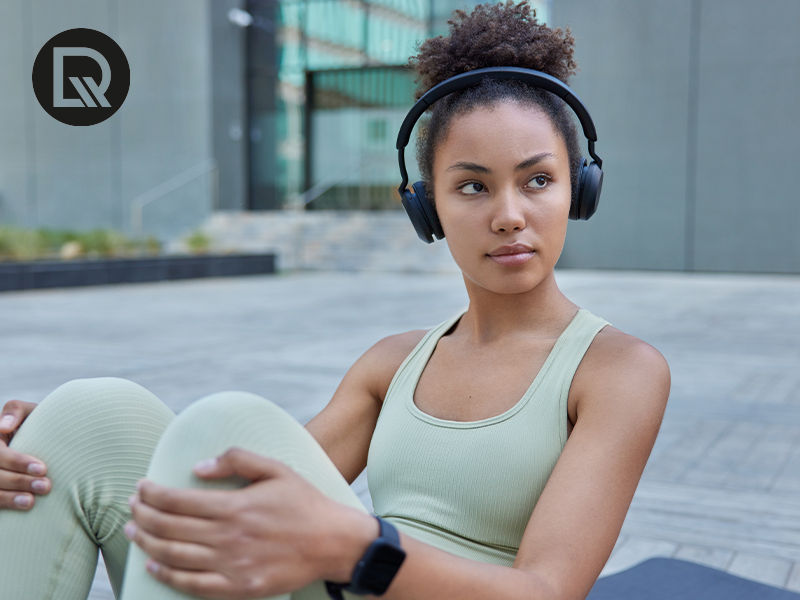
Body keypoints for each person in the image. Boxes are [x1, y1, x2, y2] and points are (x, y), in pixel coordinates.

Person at [0, 2, 670, 599]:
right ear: (425, 205)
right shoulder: (392, 363)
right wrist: (65, 441)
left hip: (376, 574)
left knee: (224, 410)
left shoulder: (618, 371)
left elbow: (546, 591)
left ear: (579, 190)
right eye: (472, 187)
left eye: (538, 180)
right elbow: (234, 474)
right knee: (91, 413)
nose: (509, 215)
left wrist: (358, 548)